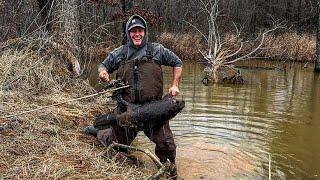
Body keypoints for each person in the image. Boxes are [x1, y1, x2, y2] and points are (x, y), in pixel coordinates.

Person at [87, 14, 182, 177]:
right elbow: (103, 66)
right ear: (128, 33)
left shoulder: (157, 50)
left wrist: (175, 85)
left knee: (167, 145)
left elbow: (177, 63)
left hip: (153, 111)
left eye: (140, 30)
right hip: (126, 111)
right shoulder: (120, 52)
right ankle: (99, 132)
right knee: (115, 148)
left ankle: (168, 169)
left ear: (145, 32)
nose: (137, 34)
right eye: (133, 31)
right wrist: (103, 73)